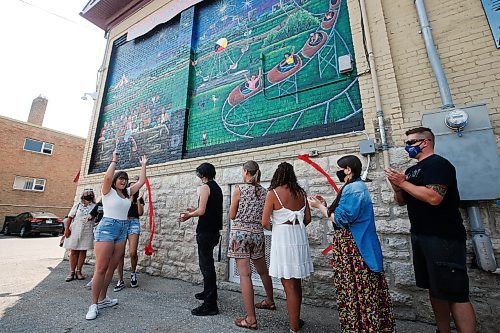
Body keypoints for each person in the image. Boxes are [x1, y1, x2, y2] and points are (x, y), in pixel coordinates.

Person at [385, 127, 476, 333]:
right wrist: (398, 187)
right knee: (435, 290)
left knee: (455, 293)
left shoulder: (438, 164)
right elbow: (402, 202)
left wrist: (403, 183)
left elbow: (434, 197)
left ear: (425, 142)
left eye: (410, 143)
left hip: (443, 238)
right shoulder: (411, 171)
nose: (407, 147)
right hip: (420, 235)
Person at [308, 155, 395, 332]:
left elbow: (341, 219)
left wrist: (319, 207)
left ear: (348, 169)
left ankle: (363, 327)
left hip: (354, 248)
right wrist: (325, 204)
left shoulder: (354, 188)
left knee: (357, 289)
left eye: (340, 168)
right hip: (353, 246)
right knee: (360, 288)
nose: (338, 172)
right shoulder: (354, 187)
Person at [85, 150, 147, 320]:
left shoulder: (127, 193)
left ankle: (103, 299)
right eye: (121, 178)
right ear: (114, 181)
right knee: (101, 268)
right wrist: (114, 161)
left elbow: (141, 181)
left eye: (125, 179)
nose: (124, 181)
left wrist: (143, 165)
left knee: (112, 267)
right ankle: (93, 304)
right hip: (107, 227)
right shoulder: (108, 191)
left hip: (123, 228)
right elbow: (106, 178)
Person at [262, 162, 312, 333]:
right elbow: (307, 220)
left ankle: (294, 327)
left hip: (283, 238)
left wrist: (276, 228)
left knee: (288, 285)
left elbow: (264, 222)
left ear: (277, 175)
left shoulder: (273, 193)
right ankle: (296, 319)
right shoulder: (301, 193)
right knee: (296, 283)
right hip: (299, 236)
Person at [228, 161, 275, 330]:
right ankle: (270, 300)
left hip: (240, 235)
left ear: (246, 172)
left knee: (245, 276)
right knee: (263, 271)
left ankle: (250, 319)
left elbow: (232, 215)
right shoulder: (265, 192)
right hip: (258, 235)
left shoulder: (238, 190)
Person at [178, 162, 223, 316]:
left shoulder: (205, 187)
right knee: (207, 264)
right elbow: (208, 209)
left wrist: (188, 215)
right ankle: (208, 292)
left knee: (206, 266)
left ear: (203, 174)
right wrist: (193, 210)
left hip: (205, 232)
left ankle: (210, 305)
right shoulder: (216, 187)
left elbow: (202, 211)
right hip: (214, 231)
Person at [114, 182, 145, 291]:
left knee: (132, 252)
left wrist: (137, 201)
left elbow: (140, 213)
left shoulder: (139, 199)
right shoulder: (123, 198)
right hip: (123, 223)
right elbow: (122, 211)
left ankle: (133, 273)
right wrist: (130, 198)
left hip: (134, 223)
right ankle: (120, 279)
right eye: (131, 186)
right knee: (119, 253)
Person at [63, 189, 96, 282]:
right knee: (74, 251)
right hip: (75, 229)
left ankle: (79, 272)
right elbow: (70, 217)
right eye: (87, 193)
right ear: (83, 195)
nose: (88, 195)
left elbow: (96, 217)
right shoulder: (77, 205)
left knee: (82, 251)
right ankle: (71, 272)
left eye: (90, 194)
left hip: (87, 230)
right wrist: (66, 229)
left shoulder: (94, 206)